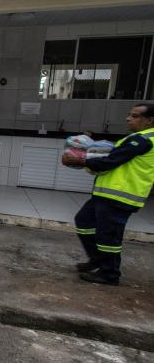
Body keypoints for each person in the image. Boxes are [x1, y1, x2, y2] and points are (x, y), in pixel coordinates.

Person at [62, 104, 154, 286]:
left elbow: (111, 161)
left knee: (108, 236)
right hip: (107, 194)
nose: (128, 118)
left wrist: (80, 160)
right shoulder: (137, 138)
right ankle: (97, 259)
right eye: (130, 115)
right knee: (84, 221)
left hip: (120, 196)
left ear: (150, 120)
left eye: (135, 116)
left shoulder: (143, 140)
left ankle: (109, 274)